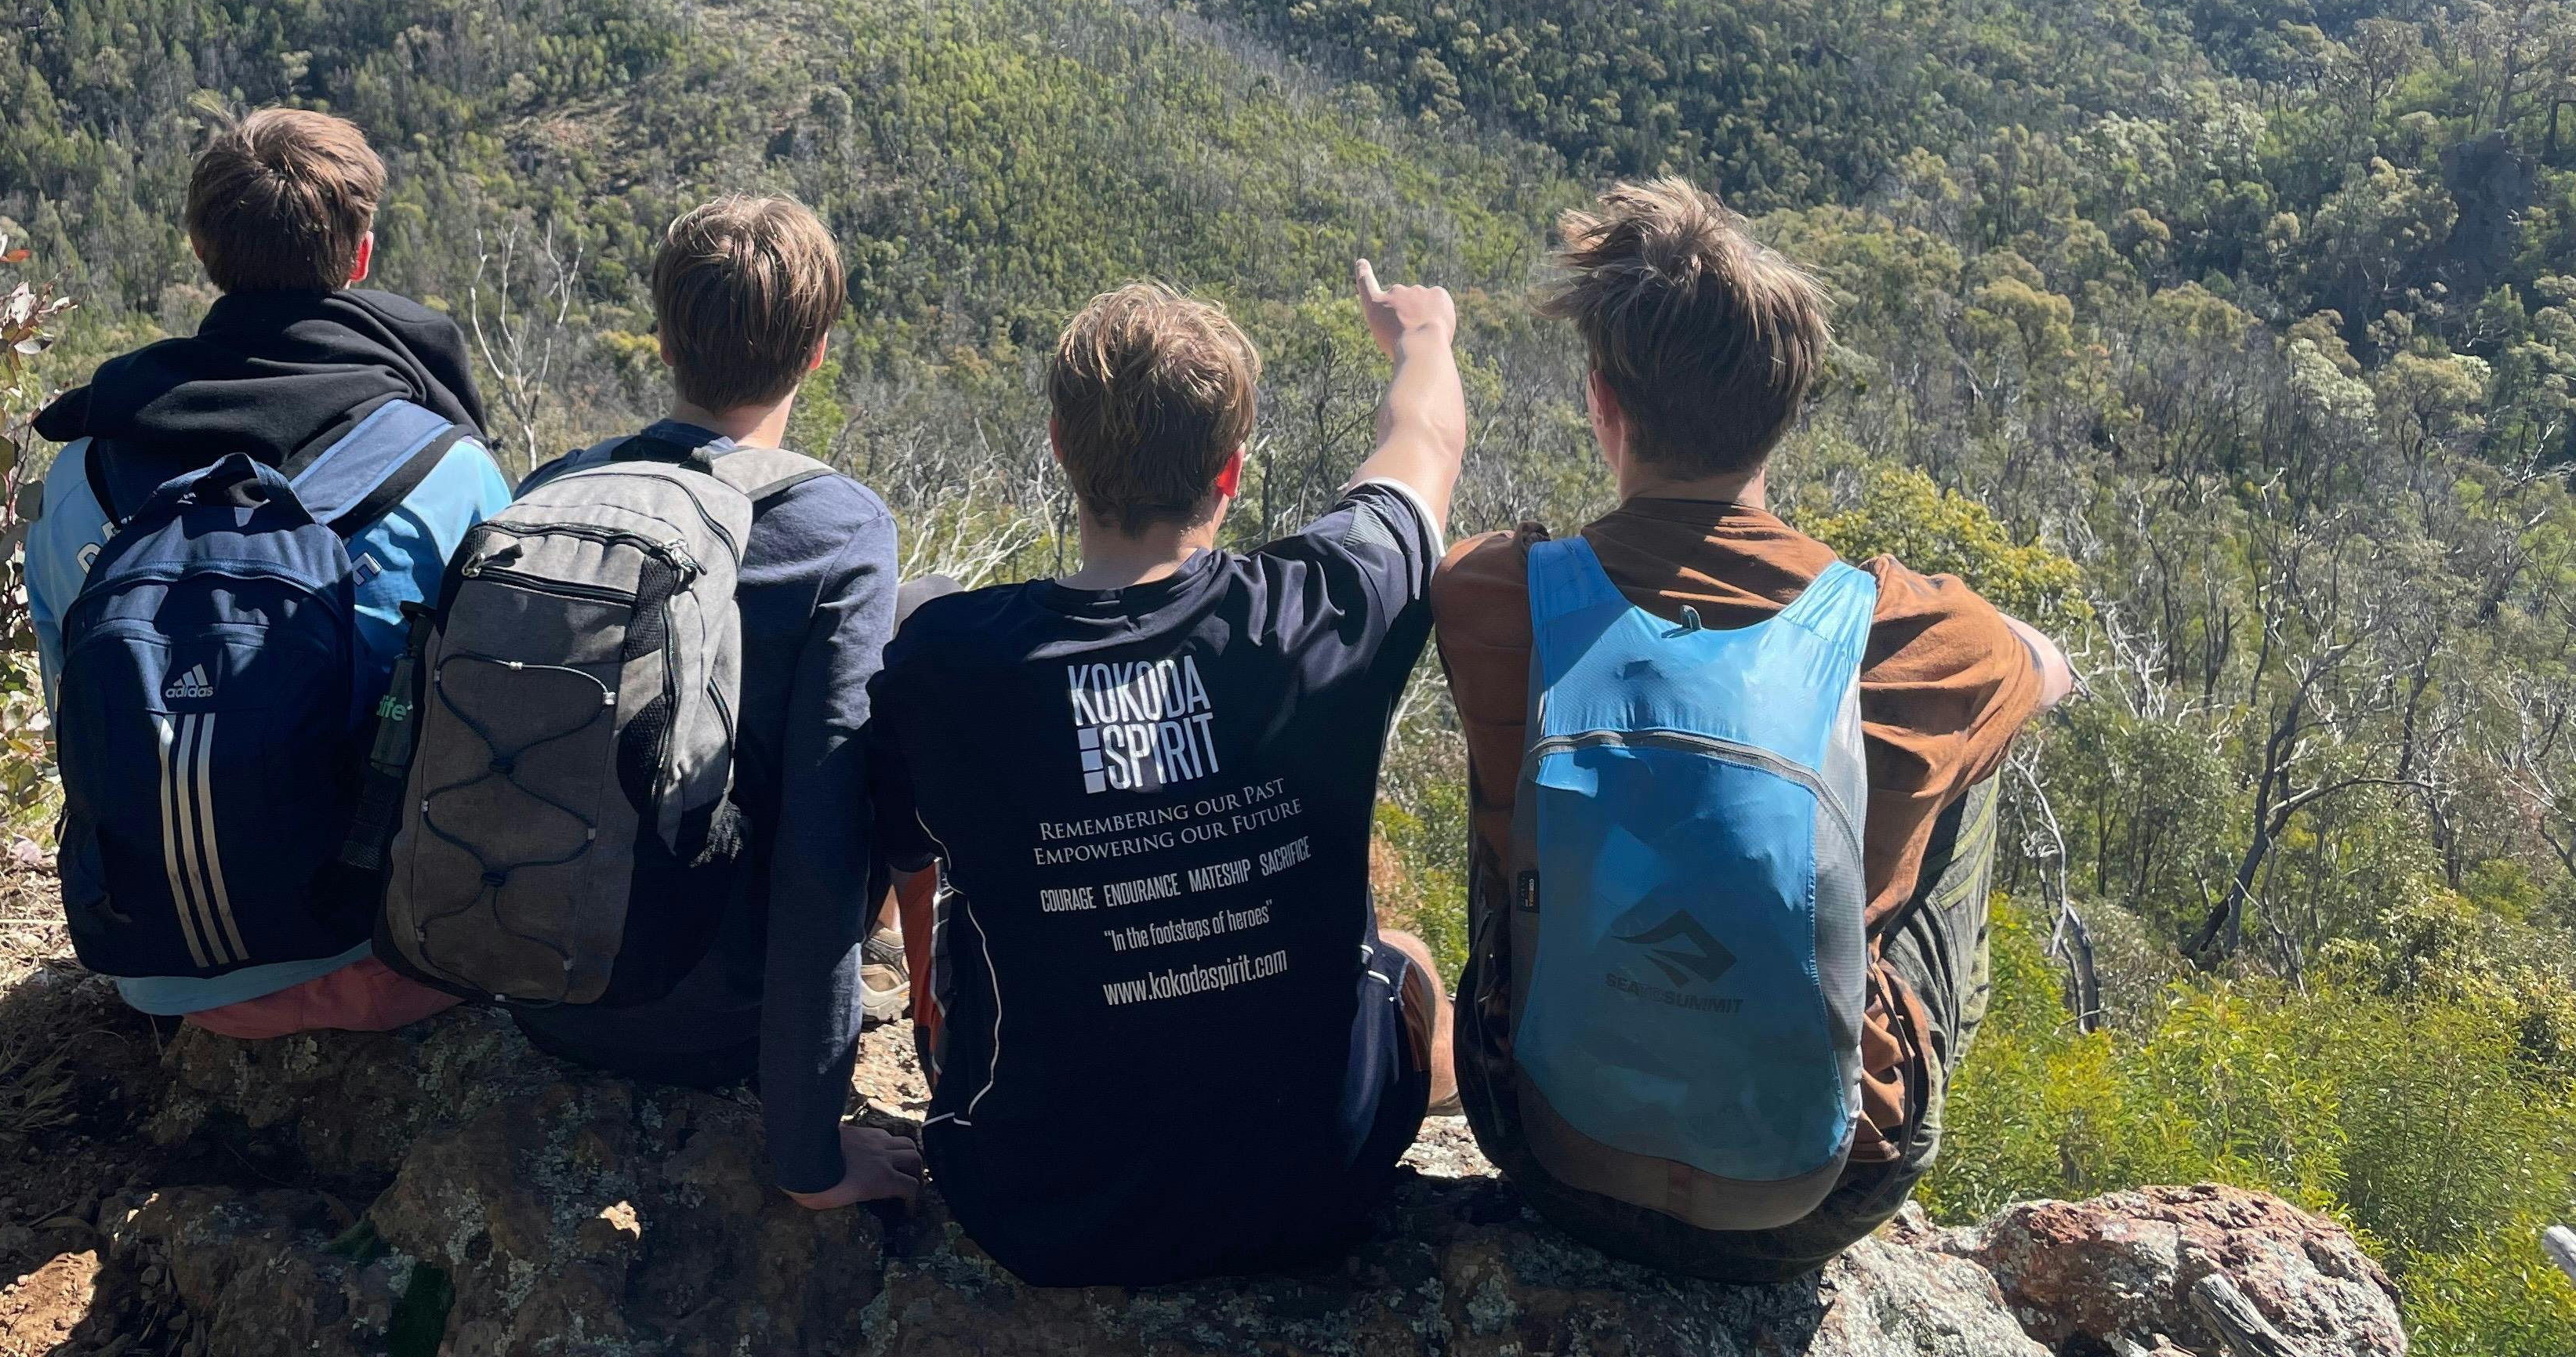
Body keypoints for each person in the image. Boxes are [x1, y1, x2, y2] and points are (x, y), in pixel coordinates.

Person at [1435, 178, 2072, 1282]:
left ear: (1602, 401)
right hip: (1809, 1202)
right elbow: (2052, 668)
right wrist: (1984, 654)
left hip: (1547, 1150)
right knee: (1979, 746)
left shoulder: (1490, 593)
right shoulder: (1916, 637)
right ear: (1785, 411)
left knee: (1523, 766)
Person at [866, 266, 1467, 1287]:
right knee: (1406, 961)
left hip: (1034, 1204)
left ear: (1061, 447)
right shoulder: (1322, 608)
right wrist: (1422, 336)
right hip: (1317, 1193)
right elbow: (1425, 445)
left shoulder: (950, 661)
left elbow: (892, 850)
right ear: (1230, 471)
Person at [24, 108, 510, 1037]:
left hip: (157, 964)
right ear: (360, 256)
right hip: (384, 956)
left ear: (202, 251)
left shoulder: (77, 475)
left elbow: (73, 716)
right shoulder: (446, 470)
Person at [498, 195, 920, 1214]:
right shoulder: (837, 530)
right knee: (929, 620)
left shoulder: (553, 491)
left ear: (662, 338)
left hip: (545, 995)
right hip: (715, 1028)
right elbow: (825, 847)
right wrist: (809, 1153)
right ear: (816, 353)